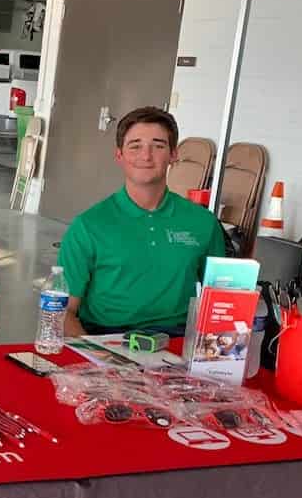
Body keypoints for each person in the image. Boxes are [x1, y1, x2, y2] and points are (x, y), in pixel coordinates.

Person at [59, 106, 225, 336]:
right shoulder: (88, 226)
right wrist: (99, 359)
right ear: (120, 155)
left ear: (173, 154)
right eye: (135, 146)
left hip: (179, 341)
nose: (146, 156)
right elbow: (63, 312)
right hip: (106, 339)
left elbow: (222, 302)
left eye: (158, 146)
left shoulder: (204, 223)